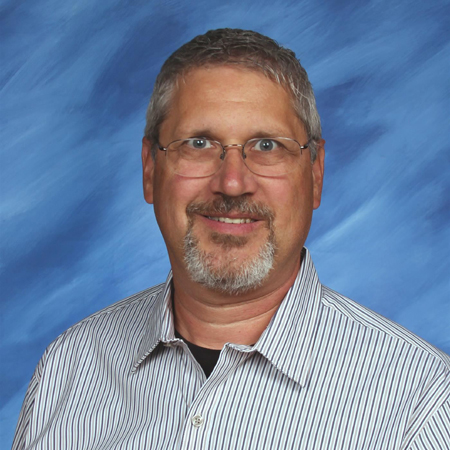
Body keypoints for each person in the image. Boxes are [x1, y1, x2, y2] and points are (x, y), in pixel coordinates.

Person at [13, 28, 449, 450]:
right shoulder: (67, 369)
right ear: (150, 169)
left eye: (267, 146)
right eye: (199, 143)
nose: (233, 183)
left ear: (315, 175)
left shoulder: (420, 402)